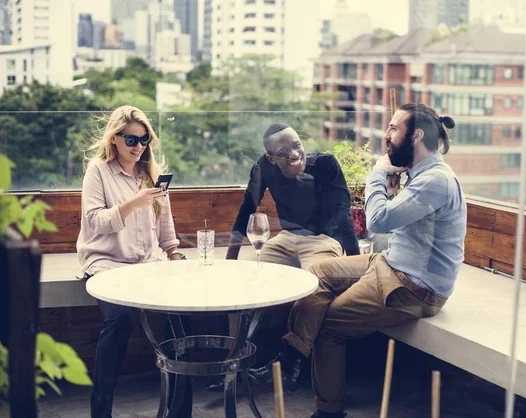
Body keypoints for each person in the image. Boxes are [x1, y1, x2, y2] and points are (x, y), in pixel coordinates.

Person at [250, 103, 467, 418]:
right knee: (318, 274)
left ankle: (329, 411)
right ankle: (292, 355)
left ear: (416, 135)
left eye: (394, 128)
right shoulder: (420, 173)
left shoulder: (435, 180)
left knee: (329, 328)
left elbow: (377, 221)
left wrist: (378, 174)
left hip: (413, 286)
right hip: (391, 263)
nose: (387, 135)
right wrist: (392, 190)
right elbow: (407, 222)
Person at [206, 122, 360, 392]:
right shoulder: (263, 167)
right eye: (284, 150)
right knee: (239, 285)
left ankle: (291, 362)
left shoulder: (325, 165)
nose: (293, 154)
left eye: (296, 145)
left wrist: (356, 264)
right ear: (271, 157)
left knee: (314, 288)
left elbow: (342, 214)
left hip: (322, 240)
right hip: (286, 239)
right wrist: (230, 262)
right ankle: (235, 369)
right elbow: (247, 208)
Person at [76, 105, 192, 418]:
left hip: (148, 263)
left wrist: (173, 253)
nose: (138, 147)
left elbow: (165, 226)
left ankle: (180, 412)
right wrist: (133, 203)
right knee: (119, 322)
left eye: (144, 141)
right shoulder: (98, 171)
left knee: (180, 320)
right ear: (114, 138)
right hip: (106, 263)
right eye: (131, 140)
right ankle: (101, 411)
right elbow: (93, 222)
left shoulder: (151, 173)